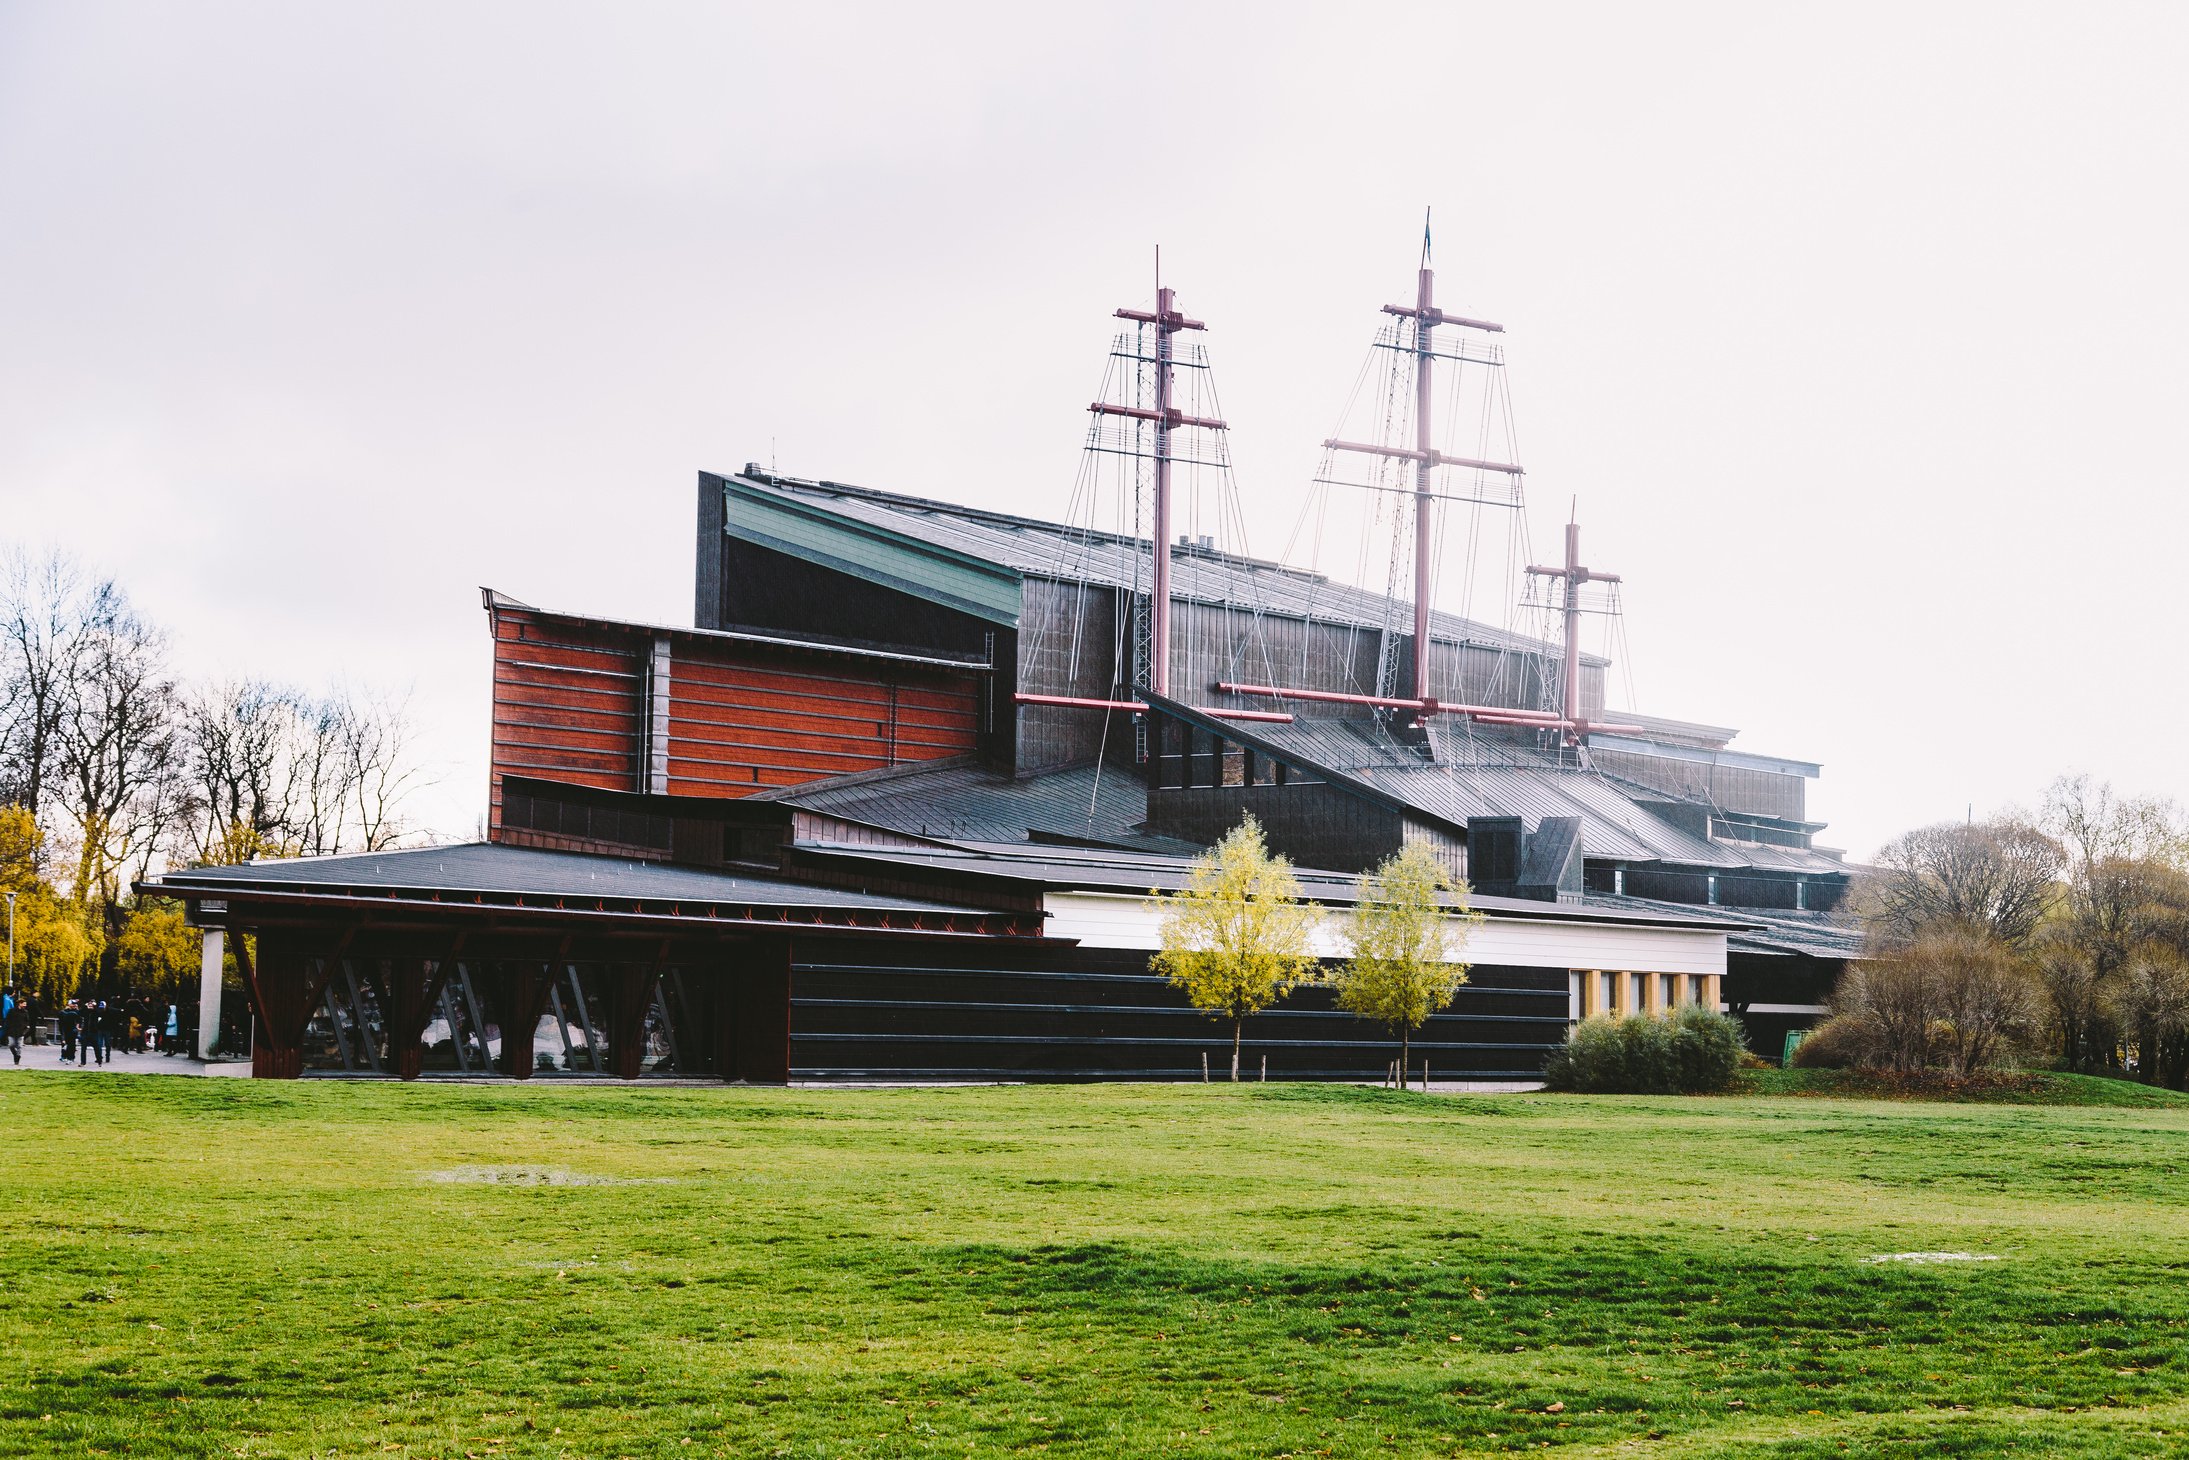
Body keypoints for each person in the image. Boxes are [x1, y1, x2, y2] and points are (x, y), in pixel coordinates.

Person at [3, 994, 24, 1065]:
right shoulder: (11, 1011)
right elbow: (8, 1019)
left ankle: (17, 1058)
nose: (25, 1005)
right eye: (24, 1004)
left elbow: (27, 1020)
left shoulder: (25, 1012)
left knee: (19, 1046)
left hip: (20, 1031)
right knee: (11, 1044)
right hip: (12, 1030)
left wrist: (24, 1027)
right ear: (19, 1004)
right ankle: (16, 1055)